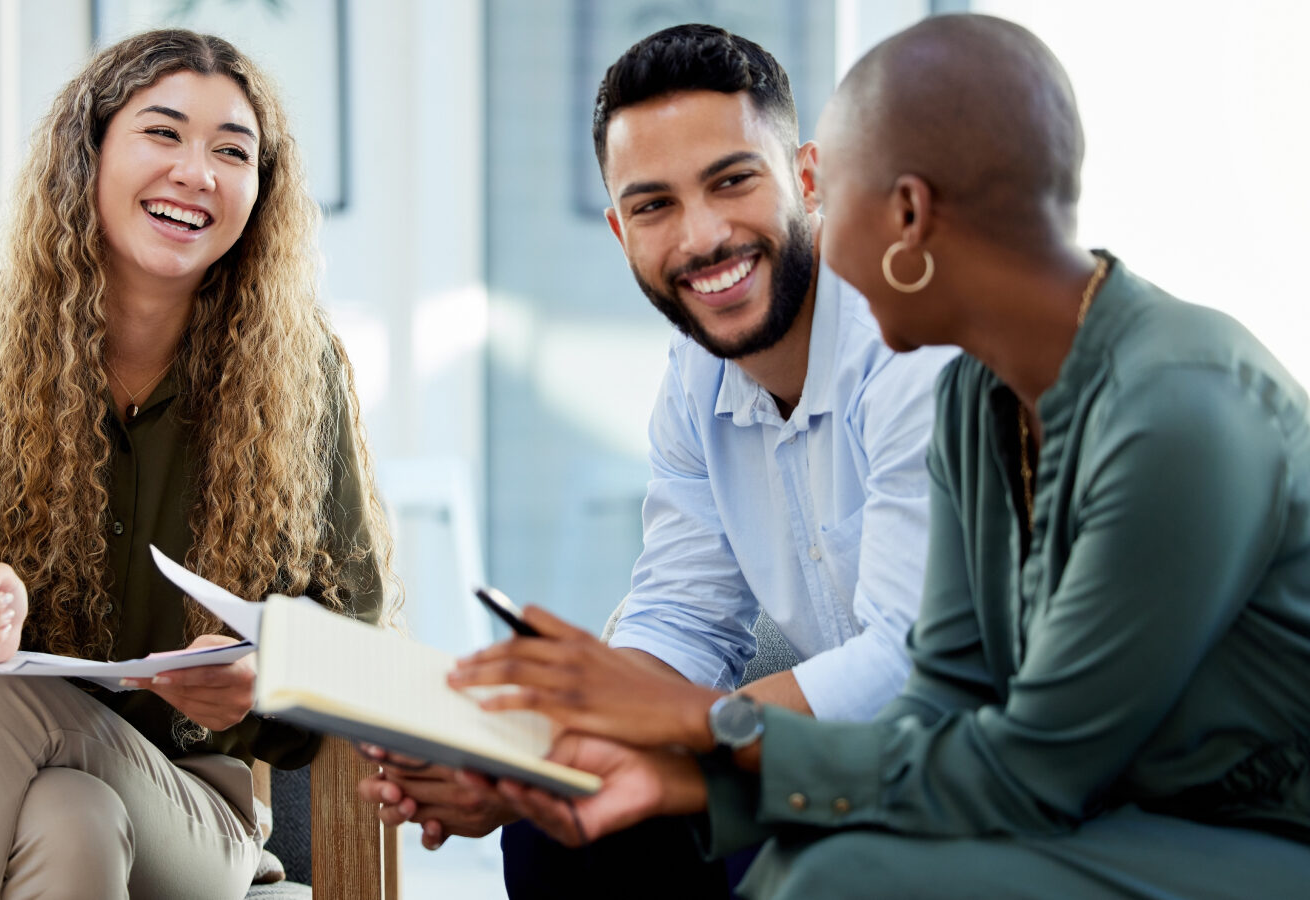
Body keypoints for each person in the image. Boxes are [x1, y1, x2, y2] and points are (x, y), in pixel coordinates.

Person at [466, 13, 1310, 899]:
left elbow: (1030, 762)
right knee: (758, 850)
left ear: (899, 211)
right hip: (1074, 796)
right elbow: (944, 695)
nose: (818, 237)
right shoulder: (981, 404)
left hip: (1235, 826)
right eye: (655, 203)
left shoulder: (1176, 405)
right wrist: (661, 767)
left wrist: (692, 730)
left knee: (842, 876)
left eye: (835, 194)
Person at [359, 24, 953, 898]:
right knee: (561, 824)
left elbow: (906, 661)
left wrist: (660, 723)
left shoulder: (908, 346)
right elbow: (682, 616)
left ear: (808, 177)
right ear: (619, 227)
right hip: (818, 748)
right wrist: (526, 757)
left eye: (732, 181)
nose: (703, 236)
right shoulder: (694, 372)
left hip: (949, 762)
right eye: (654, 205)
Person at [0, 29, 392, 900]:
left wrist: (263, 683)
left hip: (182, 802)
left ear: (259, 192)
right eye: (162, 133)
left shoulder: (302, 370)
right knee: (67, 821)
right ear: (90, 151)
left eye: (232, 151)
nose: (197, 171)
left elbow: (356, 635)